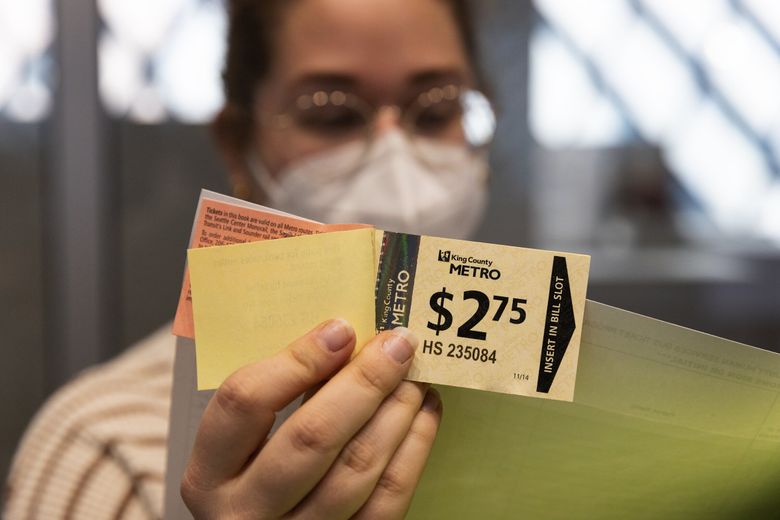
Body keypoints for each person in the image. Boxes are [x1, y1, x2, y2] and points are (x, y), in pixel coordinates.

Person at [4, 0, 493, 518]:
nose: (396, 162)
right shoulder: (109, 452)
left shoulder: (565, 395)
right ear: (238, 143)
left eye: (437, 109)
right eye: (332, 113)